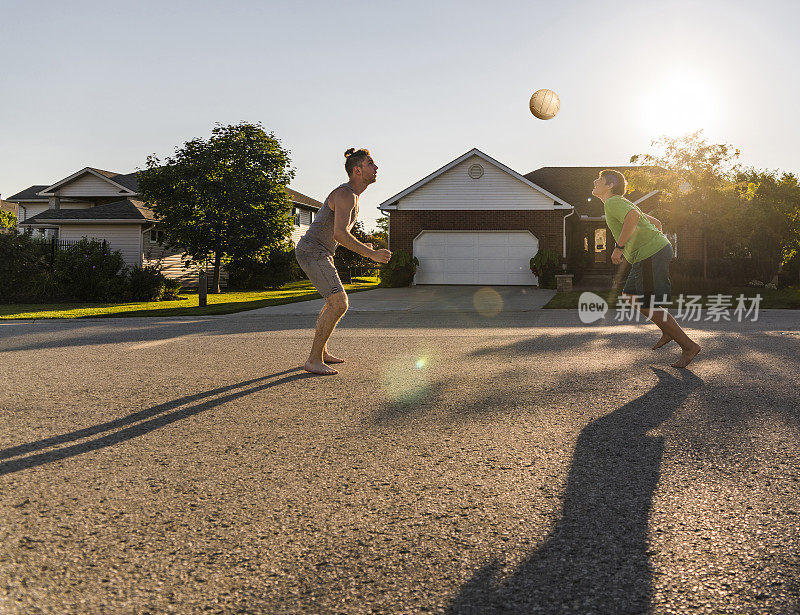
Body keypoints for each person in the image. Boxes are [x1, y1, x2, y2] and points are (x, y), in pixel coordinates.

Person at [295, 148, 392, 375]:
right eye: (370, 163)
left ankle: (322, 352)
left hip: (320, 252)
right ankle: (313, 360)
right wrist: (371, 254)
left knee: (333, 303)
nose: (376, 167)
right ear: (357, 170)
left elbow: (339, 234)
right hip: (313, 252)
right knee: (339, 303)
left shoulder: (353, 196)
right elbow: (339, 234)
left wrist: (363, 247)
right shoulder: (345, 194)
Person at [592, 169, 701, 368]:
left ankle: (688, 346)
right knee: (631, 296)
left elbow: (633, 217)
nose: (594, 182)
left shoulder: (612, 202)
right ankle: (668, 330)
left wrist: (619, 247)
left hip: (649, 254)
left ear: (609, 186)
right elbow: (656, 223)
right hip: (648, 254)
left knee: (646, 303)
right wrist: (653, 243)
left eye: (599, 180)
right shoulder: (622, 203)